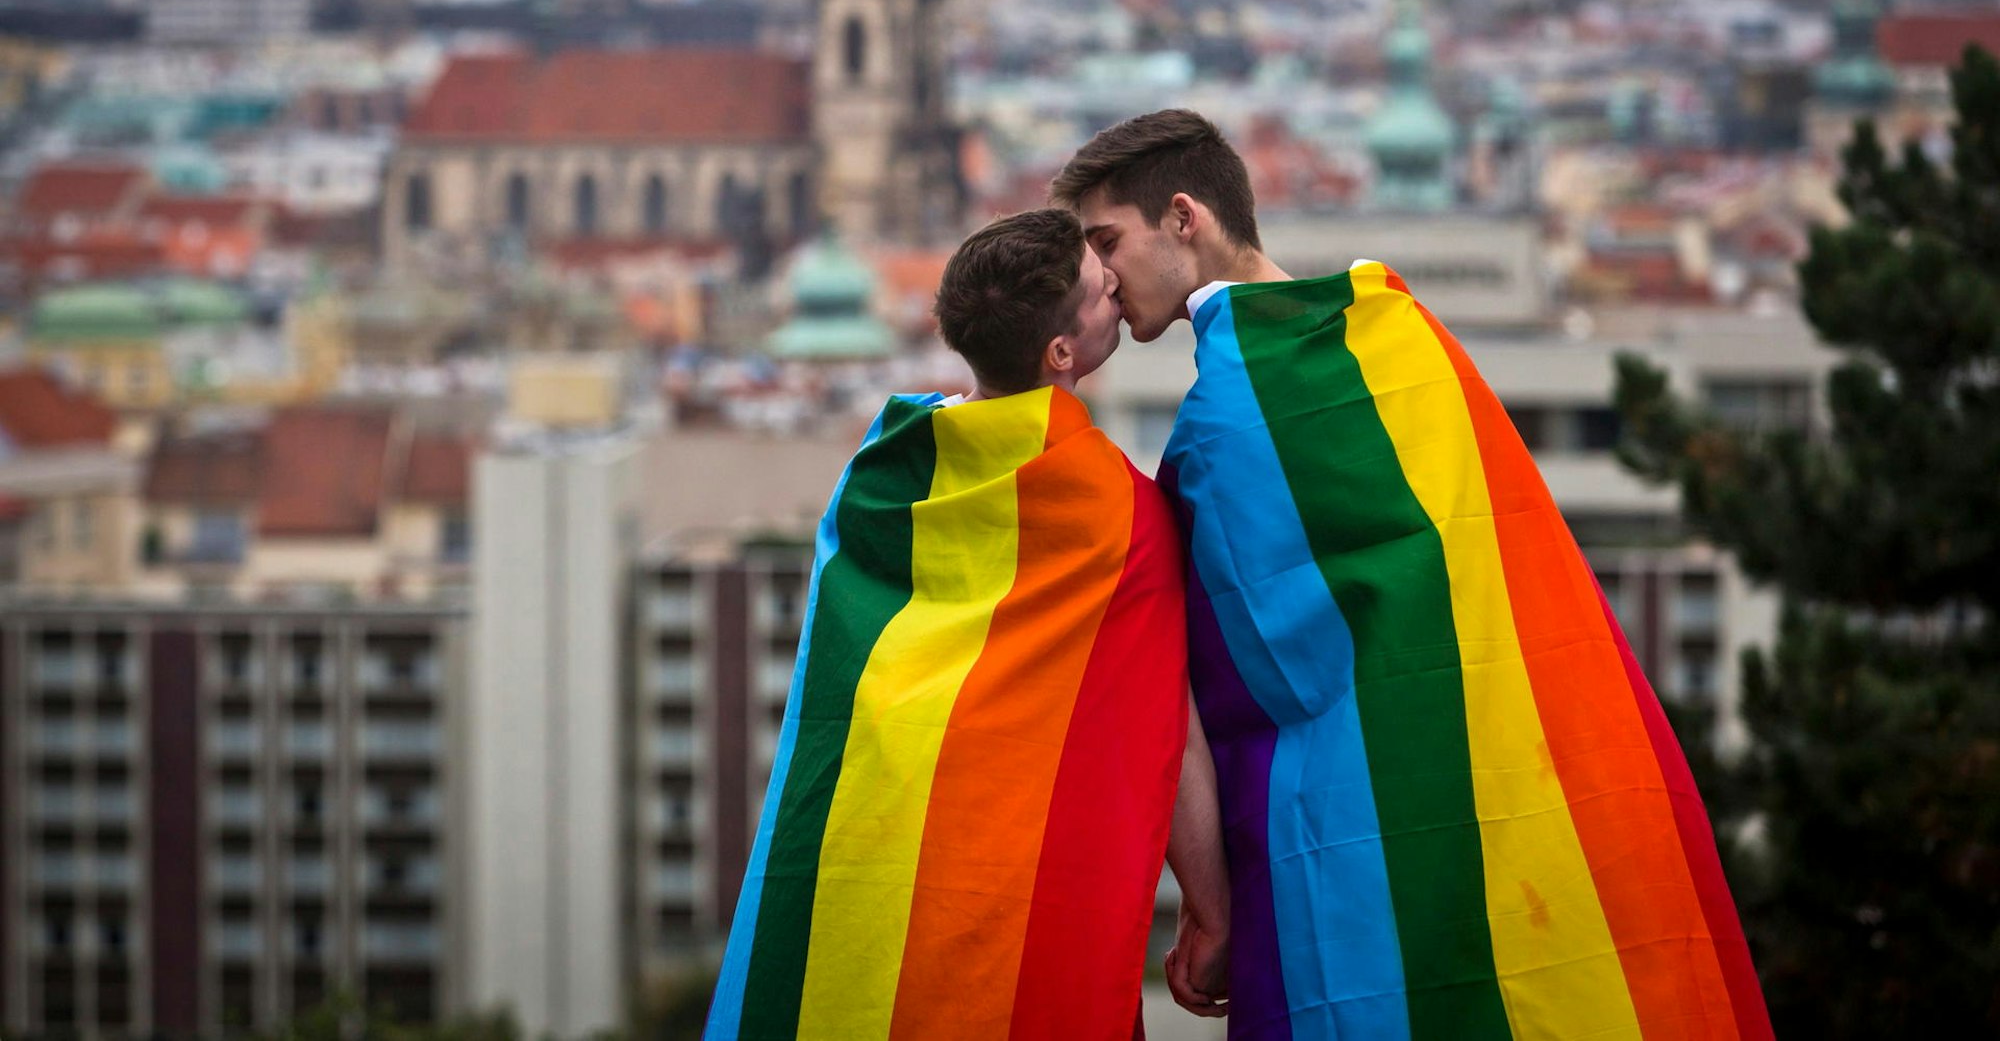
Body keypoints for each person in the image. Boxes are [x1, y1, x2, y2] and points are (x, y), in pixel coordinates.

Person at [1053, 112, 1774, 1040]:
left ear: (1184, 218)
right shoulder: (1399, 337)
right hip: (1498, 788)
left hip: (1339, 842)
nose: (1101, 276)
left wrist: (1211, 898)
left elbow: (1195, 670)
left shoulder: (1224, 421)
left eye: (1108, 241)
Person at [705, 208, 1225, 1041]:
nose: (1116, 283)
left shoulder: (883, 472)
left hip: (867, 867)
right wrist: (1214, 908)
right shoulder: (1117, 515)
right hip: (1010, 878)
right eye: (1099, 287)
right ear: (1061, 353)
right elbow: (1173, 724)